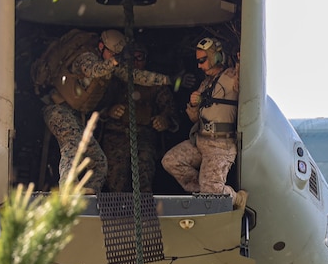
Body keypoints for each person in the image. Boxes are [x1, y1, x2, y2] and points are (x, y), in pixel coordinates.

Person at [38, 29, 172, 193]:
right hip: (57, 109)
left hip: (74, 114)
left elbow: (134, 75)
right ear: (101, 46)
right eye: (112, 53)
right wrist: (116, 61)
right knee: (72, 145)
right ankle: (68, 188)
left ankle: (89, 195)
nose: (114, 57)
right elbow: (95, 70)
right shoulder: (86, 57)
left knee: (99, 161)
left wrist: (165, 79)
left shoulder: (109, 63)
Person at [161, 36, 245, 208]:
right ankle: (206, 191)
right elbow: (194, 118)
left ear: (216, 57)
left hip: (220, 145)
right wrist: (193, 104)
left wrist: (240, 62)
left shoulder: (230, 77)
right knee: (170, 161)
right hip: (201, 141)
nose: (199, 65)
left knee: (212, 189)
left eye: (203, 60)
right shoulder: (206, 83)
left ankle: (236, 198)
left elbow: (245, 81)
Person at [99, 45, 178, 193]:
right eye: (130, 58)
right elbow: (96, 108)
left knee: (144, 174)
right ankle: (117, 212)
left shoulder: (156, 84)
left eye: (139, 58)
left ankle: (143, 211)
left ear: (146, 60)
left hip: (144, 136)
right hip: (115, 136)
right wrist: (109, 111)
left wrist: (164, 121)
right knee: (116, 179)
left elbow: (171, 113)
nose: (135, 62)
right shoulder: (113, 80)